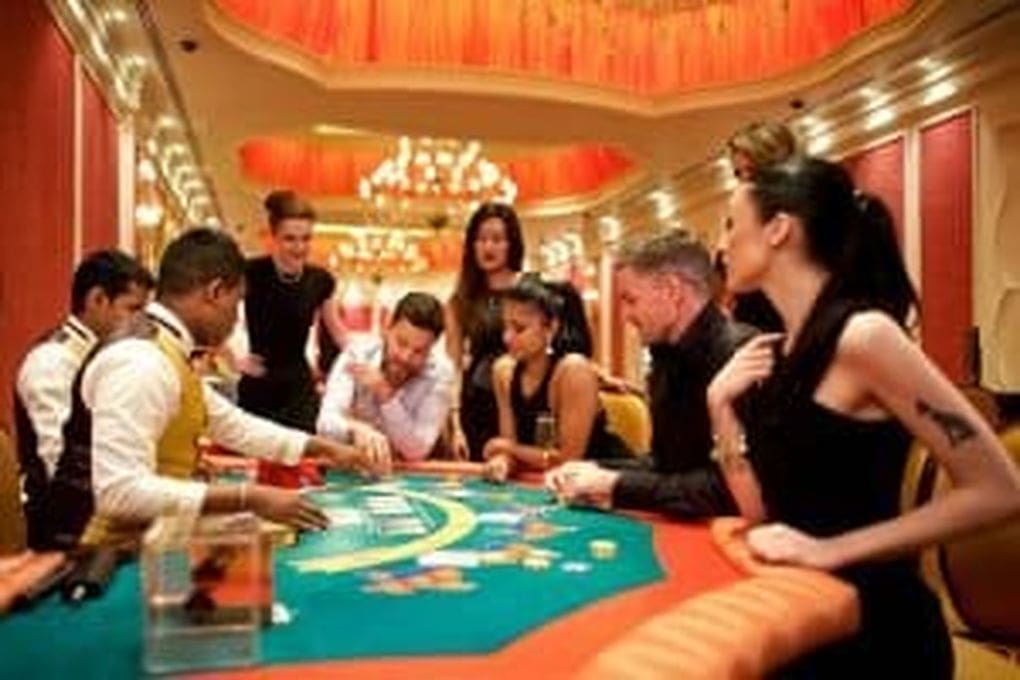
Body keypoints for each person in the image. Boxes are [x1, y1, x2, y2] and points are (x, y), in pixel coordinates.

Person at [708, 156, 1020, 677]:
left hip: (874, 633)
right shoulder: (776, 351)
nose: (720, 246)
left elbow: (1000, 489)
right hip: (803, 608)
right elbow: (764, 520)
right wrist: (720, 408)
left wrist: (831, 550)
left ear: (779, 229)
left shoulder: (864, 337)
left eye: (730, 224)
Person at [44, 228, 387, 550]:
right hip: (101, 560)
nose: (236, 320)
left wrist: (329, 450)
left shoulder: (165, 347)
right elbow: (119, 493)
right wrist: (248, 497)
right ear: (215, 292)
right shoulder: (141, 361)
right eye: (236, 304)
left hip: (147, 542)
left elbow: (234, 425)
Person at [547, 231, 752, 517]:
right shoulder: (665, 358)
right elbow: (666, 465)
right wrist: (593, 469)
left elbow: (731, 491)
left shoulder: (742, 356)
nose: (625, 316)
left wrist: (616, 485)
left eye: (631, 300)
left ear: (671, 291)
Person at [14, 250, 154, 550]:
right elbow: (59, 466)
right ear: (97, 299)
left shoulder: (102, 354)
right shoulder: (52, 360)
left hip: (102, 516)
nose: (141, 321)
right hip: (63, 534)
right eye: (133, 308)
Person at [482, 276, 629, 482]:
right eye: (505, 327)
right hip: (551, 481)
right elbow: (510, 448)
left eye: (520, 328)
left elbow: (569, 460)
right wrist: (503, 460)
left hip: (603, 481)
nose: (507, 337)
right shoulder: (503, 371)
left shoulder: (574, 370)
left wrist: (509, 449)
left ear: (551, 328)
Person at [236, 190, 346, 432]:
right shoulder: (251, 272)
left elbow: (338, 333)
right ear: (273, 236)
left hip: (299, 388)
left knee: (303, 452)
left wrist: (364, 359)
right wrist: (232, 358)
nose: (299, 247)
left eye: (306, 238)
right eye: (290, 239)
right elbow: (216, 311)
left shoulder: (320, 280)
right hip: (258, 384)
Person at [318, 292, 455, 462]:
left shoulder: (440, 373)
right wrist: (354, 429)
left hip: (408, 472)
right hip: (351, 464)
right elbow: (325, 423)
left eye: (419, 351)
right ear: (387, 328)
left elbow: (417, 450)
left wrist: (386, 395)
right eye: (401, 343)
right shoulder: (357, 355)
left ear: (432, 348)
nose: (405, 357)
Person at [445, 202, 525, 461]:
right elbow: (453, 367)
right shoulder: (460, 300)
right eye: (481, 239)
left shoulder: (529, 290)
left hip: (522, 397)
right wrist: (455, 423)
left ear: (511, 244)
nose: (488, 247)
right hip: (477, 402)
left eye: (497, 239)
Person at [718, 120, 798, 333]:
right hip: (755, 332)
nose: (745, 181)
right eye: (738, 173)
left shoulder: (806, 214)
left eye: (752, 172)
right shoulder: (737, 217)